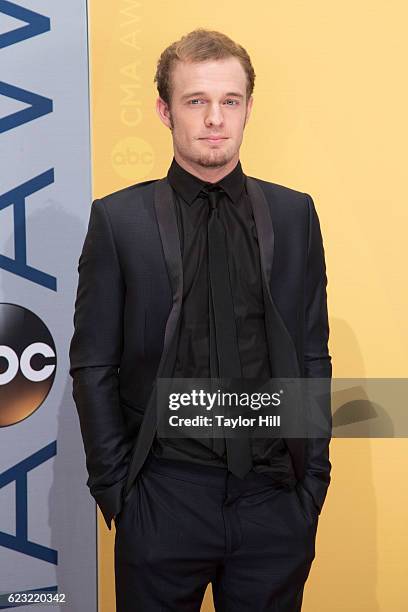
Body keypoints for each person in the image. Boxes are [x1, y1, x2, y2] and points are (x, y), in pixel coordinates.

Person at [69, 28, 332, 612]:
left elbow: (313, 352)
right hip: (163, 495)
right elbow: (93, 364)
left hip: (273, 499)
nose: (215, 119)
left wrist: (311, 481)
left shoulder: (293, 215)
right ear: (164, 110)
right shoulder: (119, 220)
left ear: (247, 109)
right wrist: (119, 494)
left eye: (229, 101)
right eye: (196, 101)